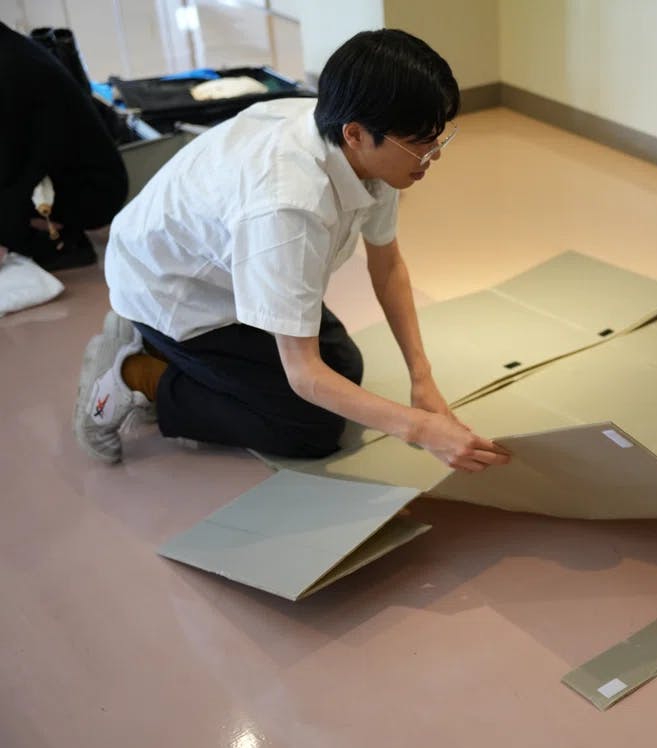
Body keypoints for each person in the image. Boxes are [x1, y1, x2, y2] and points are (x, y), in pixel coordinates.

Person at [73, 29, 510, 473]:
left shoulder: (368, 149)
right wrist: (419, 428)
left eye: (437, 137)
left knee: (344, 368)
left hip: (226, 264)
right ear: (356, 134)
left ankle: (161, 348)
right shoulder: (289, 206)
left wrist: (422, 379)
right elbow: (303, 374)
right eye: (420, 142)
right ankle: (139, 374)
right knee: (307, 428)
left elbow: (388, 265)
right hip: (173, 289)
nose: (434, 154)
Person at [0, 22, 128, 270]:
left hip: (90, 191)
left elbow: (11, 163)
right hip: (47, 170)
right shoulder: (10, 48)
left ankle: (52, 240)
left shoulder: (10, 62)